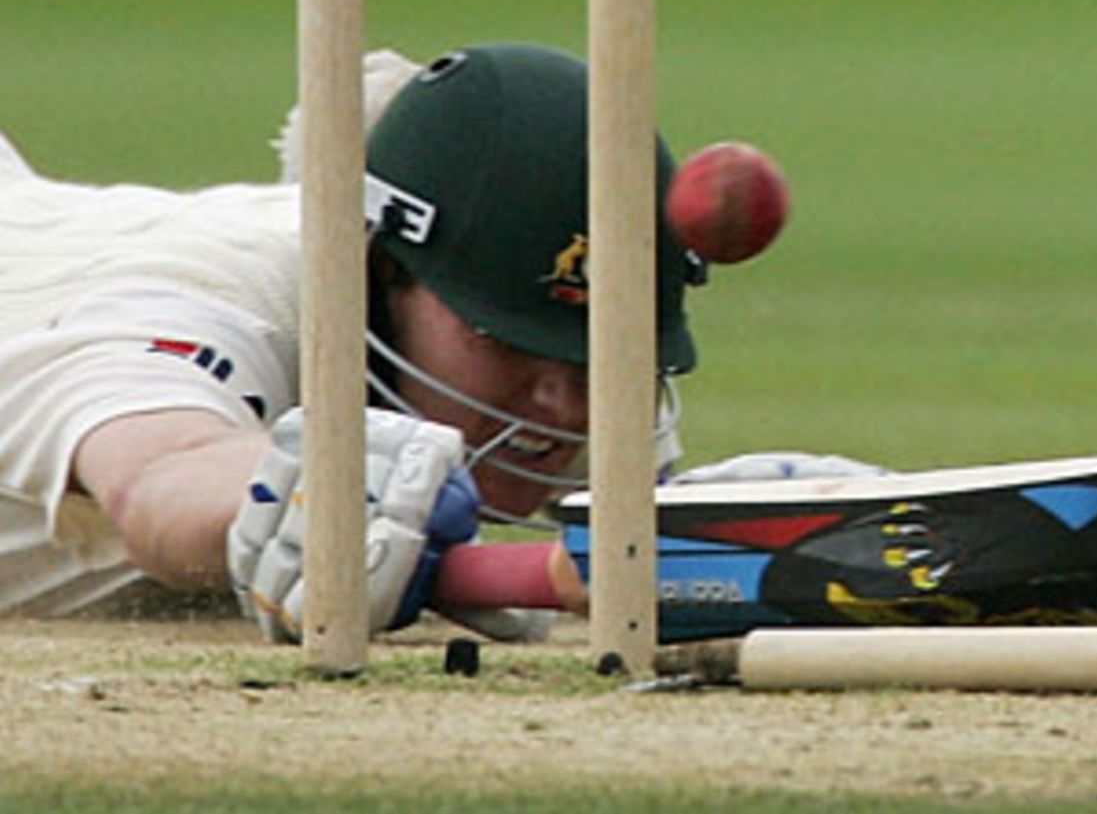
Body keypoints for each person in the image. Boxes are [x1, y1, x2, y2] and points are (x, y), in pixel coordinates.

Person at [0, 42, 719, 639]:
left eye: (599, 352)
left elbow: (665, 547)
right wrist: (325, 478)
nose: (562, 402)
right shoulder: (217, 299)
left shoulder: (573, 350)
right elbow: (160, 484)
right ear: (383, 269)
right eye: (502, 340)